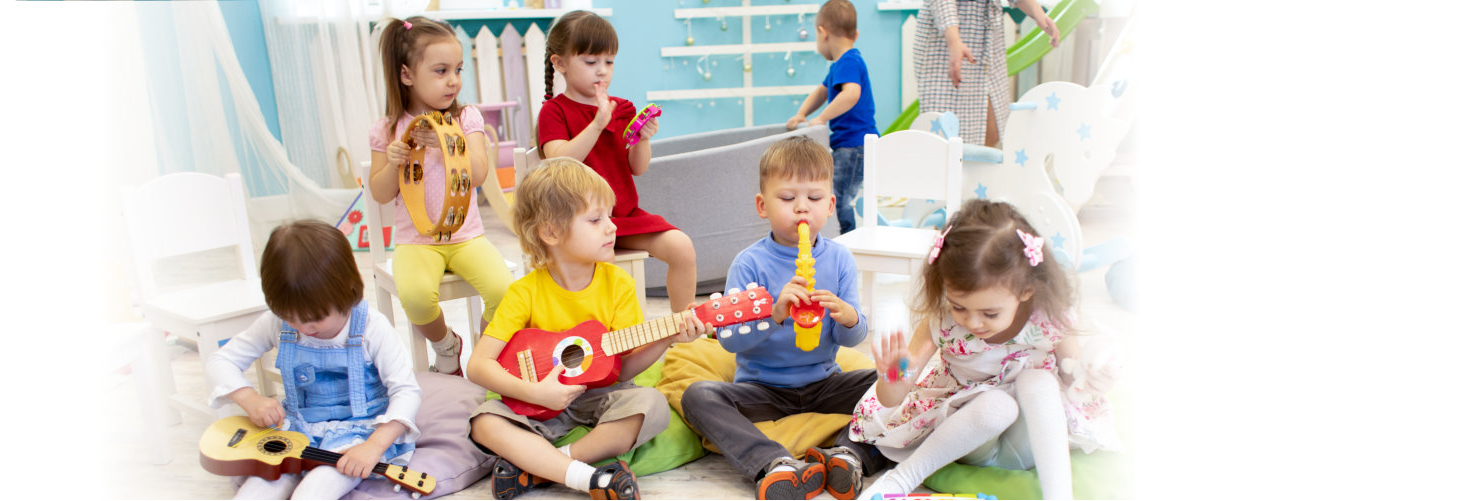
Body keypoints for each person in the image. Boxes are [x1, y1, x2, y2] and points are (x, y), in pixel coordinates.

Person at [465, 158, 710, 500]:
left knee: (651, 404)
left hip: (601, 397)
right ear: (550, 232)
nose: (612, 227)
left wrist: (667, 334)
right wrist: (534, 393)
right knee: (483, 421)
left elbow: (623, 367)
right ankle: (583, 474)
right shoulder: (524, 292)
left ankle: (552, 466)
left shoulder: (618, 285)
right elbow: (478, 365)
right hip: (536, 401)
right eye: (595, 220)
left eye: (609, 216)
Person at [849, 199, 1111, 500]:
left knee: (1039, 381)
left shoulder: (1049, 317)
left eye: (990, 313)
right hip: (968, 437)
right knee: (998, 404)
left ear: (1027, 290)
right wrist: (891, 380)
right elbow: (894, 394)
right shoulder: (941, 319)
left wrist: (1092, 374)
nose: (973, 322)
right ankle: (904, 477)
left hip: (1030, 439)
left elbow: (1074, 376)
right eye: (959, 306)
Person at [681, 137, 890, 500]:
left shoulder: (839, 259)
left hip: (826, 382)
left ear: (831, 204)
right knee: (697, 396)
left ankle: (848, 455)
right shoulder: (750, 263)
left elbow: (851, 341)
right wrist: (775, 314)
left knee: (894, 381)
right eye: (788, 198)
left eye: (813, 198)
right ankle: (773, 465)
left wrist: (849, 316)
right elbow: (729, 340)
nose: (802, 210)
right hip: (762, 389)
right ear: (763, 206)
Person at [205, 220, 421, 500]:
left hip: (358, 437)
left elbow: (406, 391)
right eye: (290, 318)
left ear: (348, 289)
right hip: (295, 431)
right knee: (252, 494)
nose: (303, 328)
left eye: (314, 319)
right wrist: (250, 399)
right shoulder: (276, 323)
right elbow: (220, 361)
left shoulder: (372, 327)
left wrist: (375, 446)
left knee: (312, 493)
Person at [367, 16, 515, 376]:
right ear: (406, 75)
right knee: (416, 298)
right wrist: (393, 164)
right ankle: (446, 345)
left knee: (504, 291)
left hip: (466, 237)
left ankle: (485, 356)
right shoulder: (388, 129)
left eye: (458, 69)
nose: (453, 80)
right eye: (441, 70)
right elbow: (380, 193)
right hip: (416, 241)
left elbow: (479, 173)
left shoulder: (466, 118)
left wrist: (453, 146)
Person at [535, 10, 698, 315]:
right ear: (560, 64)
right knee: (604, 268)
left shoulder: (622, 108)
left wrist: (643, 138)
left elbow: (638, 167)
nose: (602, 71)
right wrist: (596, 125)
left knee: (681, 247)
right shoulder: (554, 112)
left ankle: (683, 330)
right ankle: (613, 337)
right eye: (590, 62)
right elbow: (557, 162)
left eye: (609, 62)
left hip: (623, 216)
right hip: (578, 223)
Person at [785, 0, 877, 235]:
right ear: (855, 34)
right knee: (837, 193)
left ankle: (846, 239)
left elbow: (852, 94)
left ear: (822, 32)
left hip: (854, 144)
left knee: (839, 196)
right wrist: (802, 114)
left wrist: (821, 118)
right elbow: (820, 92)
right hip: (850, 145)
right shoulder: (840, 65)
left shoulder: (849, 61)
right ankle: (843, 237)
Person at [913, 0, 1059, 147]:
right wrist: (954, 40)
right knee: (948, 134)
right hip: (947, 39)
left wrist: (1038, 12)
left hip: (988, 40)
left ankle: (975, 168)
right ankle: (957, 168)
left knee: (993, 127)